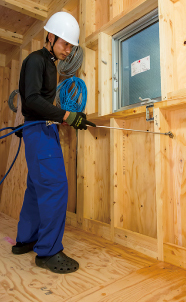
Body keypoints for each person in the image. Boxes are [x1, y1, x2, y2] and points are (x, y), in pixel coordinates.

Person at [11, 11, 95, 274]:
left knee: (36, 188)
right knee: (55, 187)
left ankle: (26, 238)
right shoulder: (37, 61)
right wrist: (67, 115)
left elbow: (39, 103)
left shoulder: (49, 64)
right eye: (65, 44)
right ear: (51, 36)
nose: (68, 51)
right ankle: (48, 251)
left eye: (71, 46)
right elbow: (33, 100)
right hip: (39, 132)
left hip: (39, 131)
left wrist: (63, 118)